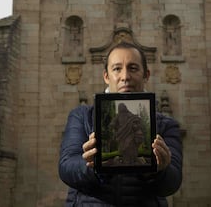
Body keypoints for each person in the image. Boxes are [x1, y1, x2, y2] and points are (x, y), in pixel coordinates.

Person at [58, 41, 183, 206]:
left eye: (133, 68)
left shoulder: (167, 125)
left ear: (146, 74)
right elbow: (67, 166)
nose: (125, 77)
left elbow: (172, 182)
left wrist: (161, 170)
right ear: (106, 76)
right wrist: (91, 165)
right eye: (117, 68)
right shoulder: (81, 116)